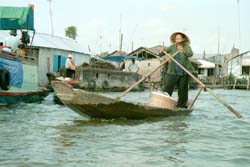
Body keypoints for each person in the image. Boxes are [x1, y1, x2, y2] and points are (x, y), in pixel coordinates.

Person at [160, 32, 194, 108]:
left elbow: (190, 54)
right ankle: (164, 105)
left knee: (182, 90)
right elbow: (162, 54)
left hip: (183, 72)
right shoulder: (172, 47)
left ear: (183, 39)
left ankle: (181, 106)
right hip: (172, 71)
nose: (178, 40)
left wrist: (183, 51)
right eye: (176, 38)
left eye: (179, 38)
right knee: (167, 88)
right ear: (175, 40)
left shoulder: (186, 47)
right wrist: (161, 51)